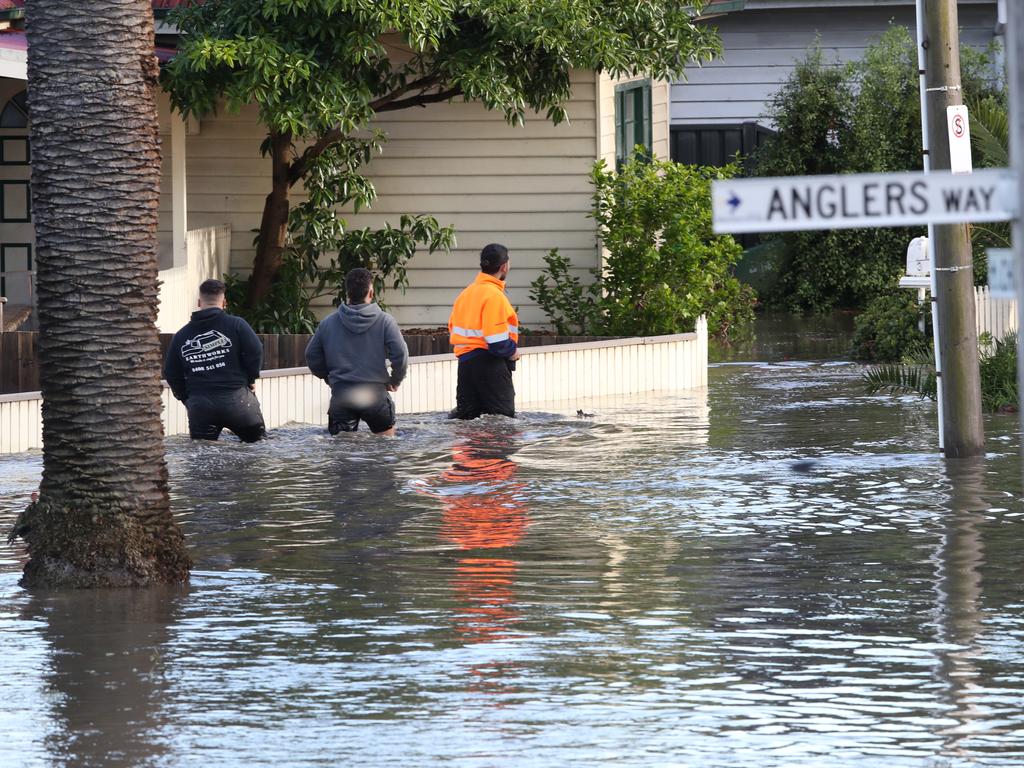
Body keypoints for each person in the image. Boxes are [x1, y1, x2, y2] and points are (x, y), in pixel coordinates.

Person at [305, 267, 408, 436]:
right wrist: (395, 380)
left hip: (342, 396)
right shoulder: (385, 321)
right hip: (375, 396)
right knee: (386, 451)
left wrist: (328, 377)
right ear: (371, 292)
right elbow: (401, 355)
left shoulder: (328, 323)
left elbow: (311, 356)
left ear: (348, 293)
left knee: (342, 454)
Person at [163, 278, 266, 442]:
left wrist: (187, 398)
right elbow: (256, 350)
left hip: (201, 406)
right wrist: (251, 377)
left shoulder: (181, 335)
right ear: (224, 302)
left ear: (199, 302)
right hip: (238, 401)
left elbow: (170, 373)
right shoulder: (237, 325)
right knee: (257, 449)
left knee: (202, 459)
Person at [448, 243, 520, 419]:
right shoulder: (494, 296)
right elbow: (496, 342)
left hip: (465, 366)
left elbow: (452, 328)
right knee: (502, 423)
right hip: (490, 365)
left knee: (467, 422)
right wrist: (512, 352)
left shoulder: (465, 294)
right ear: (504, 266)